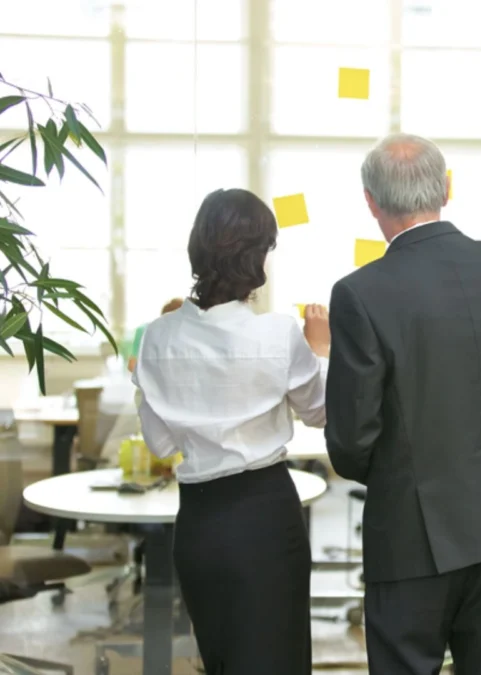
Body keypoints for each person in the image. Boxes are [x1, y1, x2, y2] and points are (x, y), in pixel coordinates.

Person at [324, 133, 481, 675]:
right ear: (447, 187)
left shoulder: (359, 293)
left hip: (410, 534)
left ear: (370, 201)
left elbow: (351, 443)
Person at [133, 188, 330, 675]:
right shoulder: (278, 333)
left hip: (198, 523)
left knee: (220, 660)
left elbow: (160, 445)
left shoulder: (156, 337)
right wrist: (321, 348)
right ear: (258, 257)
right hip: (264, 517)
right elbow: (323, 412)